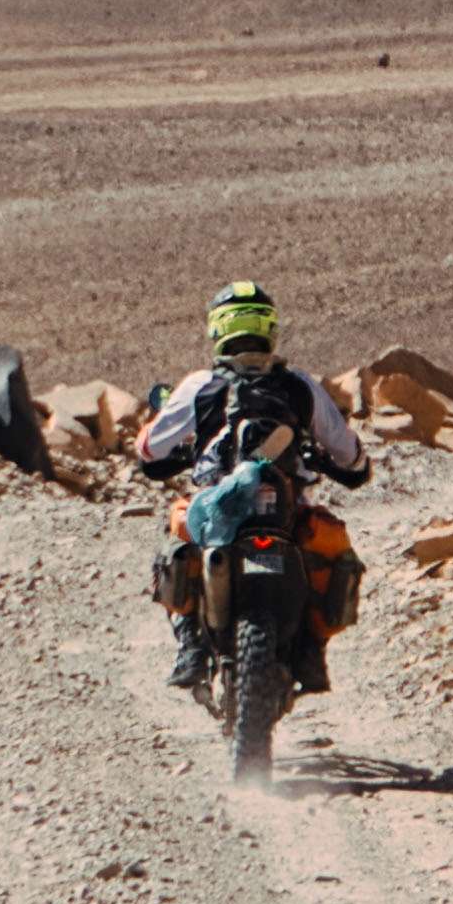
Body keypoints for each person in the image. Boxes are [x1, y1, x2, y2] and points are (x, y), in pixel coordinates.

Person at [133, 281, 367, 697]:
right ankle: (313, 651)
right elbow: (349, 455)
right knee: (333, 550)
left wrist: (173, 440)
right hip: (287, 510)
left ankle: (189, 646)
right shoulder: (299, 384)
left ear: (217, 329)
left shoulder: (200, 385)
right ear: (270, 328)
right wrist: (347, 463)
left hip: (216, 508)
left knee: (178, 535)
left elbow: (150, 450)